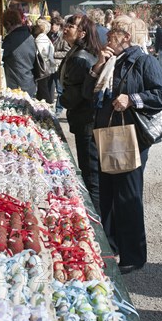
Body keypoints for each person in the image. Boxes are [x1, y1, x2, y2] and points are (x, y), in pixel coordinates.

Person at [83, 15, 162, 274]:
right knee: (108, 193)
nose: (107, 36)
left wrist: (132, 99)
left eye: (113, 32)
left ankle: (133, 255)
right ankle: (109, 248)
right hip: (108, 134)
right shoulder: (110, 61)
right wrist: (98, 65)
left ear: (127, 37)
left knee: (128, 195)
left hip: (130, 136)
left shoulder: (144, 61)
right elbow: (88, 94)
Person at [58, 14, 101, 215]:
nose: (66, 28)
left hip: (86, 121)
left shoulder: (79, 57)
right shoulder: (79, 52)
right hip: (86, 120)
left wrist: (62, 100)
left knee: (90, 172)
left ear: (82, 33)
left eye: (71, 25)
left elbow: (75, 95)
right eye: (66, 24)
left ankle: (95, 219)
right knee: (90, 170)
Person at [1, 9, 36, 98]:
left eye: (5, 26)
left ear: (9, 23)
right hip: (29, 82)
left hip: (16, 86)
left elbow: (0, 57)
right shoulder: (29, 36)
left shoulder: (11, 39)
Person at [31, 19, 56, 104]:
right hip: (48, 66)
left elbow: (40, 54)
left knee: (43, 89)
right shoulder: (46, 38)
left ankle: (48, 106)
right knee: (42, 89)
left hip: (42, 67)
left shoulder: (40, 39)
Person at [48, 17, 69, 116]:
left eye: (55, 24)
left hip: (58, 66)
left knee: (59, 89)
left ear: (59, 26)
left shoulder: (62, 37)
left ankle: (59, 109)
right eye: (52, 24)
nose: (53, 26)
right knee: (48, 87)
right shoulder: (48, 35)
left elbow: (67, 52)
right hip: (48, 66)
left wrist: (53, 54)